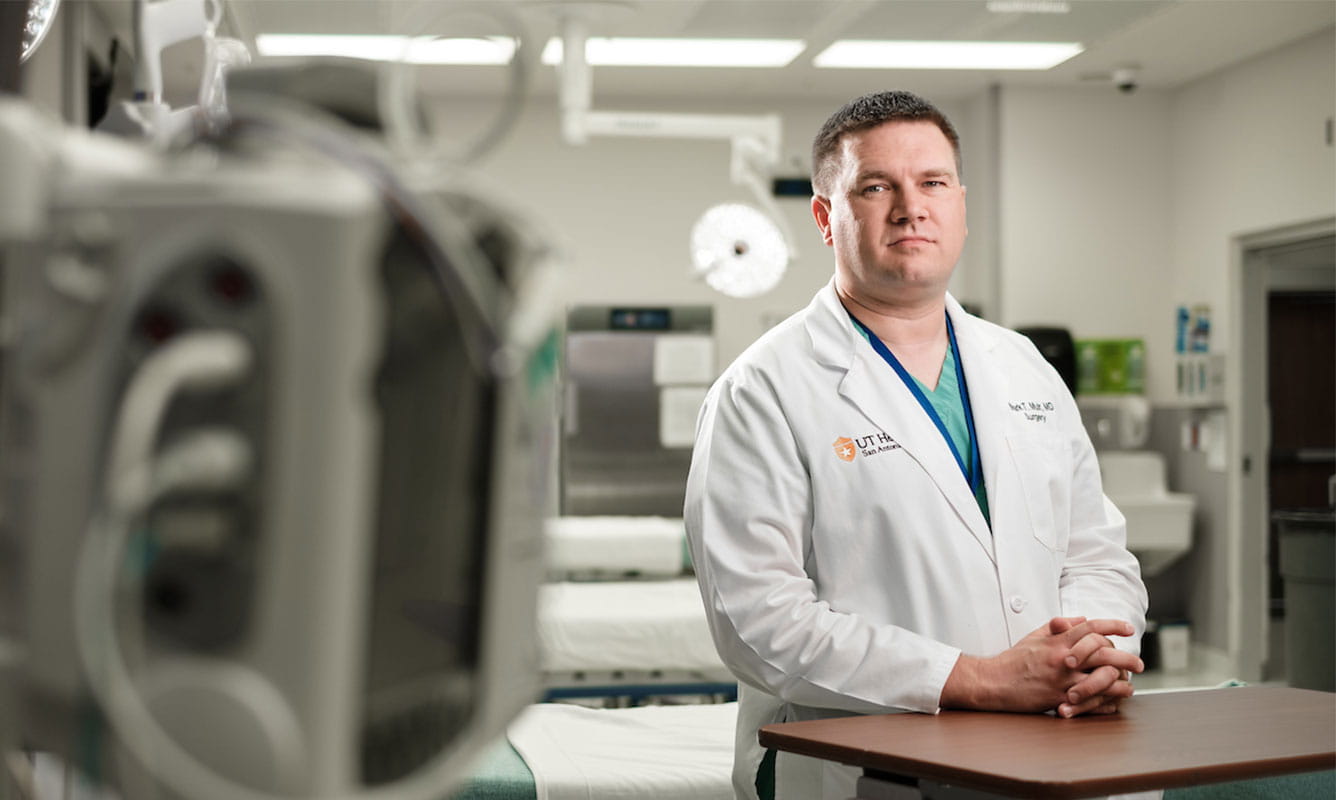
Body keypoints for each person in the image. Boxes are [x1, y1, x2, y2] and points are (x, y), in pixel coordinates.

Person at [684, 90, 1149, 800]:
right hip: (866, 765)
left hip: (1051, 748)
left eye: (932, 182)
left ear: (960, 203)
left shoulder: (1024, 366)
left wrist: (1095, 656)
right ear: (825, 218)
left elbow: (1094, 550)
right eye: (876, 187)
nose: (911, 207)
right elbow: (758, 623)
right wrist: (980, 679)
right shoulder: (763, 390)